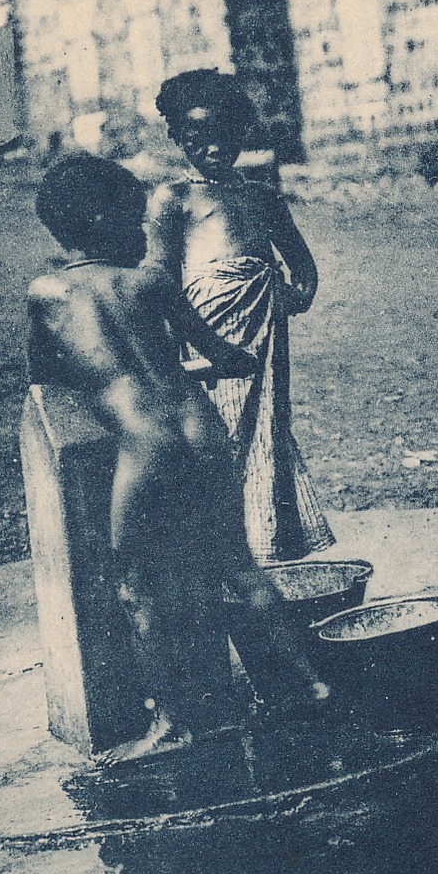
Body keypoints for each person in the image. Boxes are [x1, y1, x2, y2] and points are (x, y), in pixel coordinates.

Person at [29, 154, 327, 764]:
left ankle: (173, 722)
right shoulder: (150, 285)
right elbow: (228, 356)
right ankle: (308, 686)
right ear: (100, 221)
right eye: (134, 220)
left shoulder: (46, 293)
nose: (145, 232)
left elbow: (44, 381)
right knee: (238, 566)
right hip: (202, 429)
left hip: (146, 444)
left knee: (134, 585)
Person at [148, 68, 335, 566]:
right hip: (206, 341)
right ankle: (217, 554)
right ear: (178, 137)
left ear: (241, 132)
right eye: (197, 137)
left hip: (263, 339)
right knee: (215, 437)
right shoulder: (173, 199)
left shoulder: (261, 196)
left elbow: (301, 264)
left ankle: (265, 545)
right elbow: (160, 283)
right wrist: (192, 342)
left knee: (265, 430)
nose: (213, 147)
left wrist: (291, 294)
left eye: (224, 134)